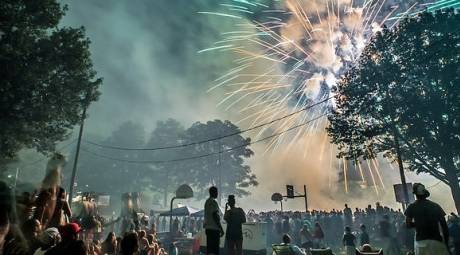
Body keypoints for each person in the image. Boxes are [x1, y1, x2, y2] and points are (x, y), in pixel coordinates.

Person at [405, 183, 449, 255]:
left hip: (421, 242)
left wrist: (419, 224)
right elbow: (444, 227)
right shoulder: (435, 206)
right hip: (437, 241)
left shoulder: (411, 207)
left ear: (415, 194)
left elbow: (408, 225)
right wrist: (446, 243)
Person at [204, 186, 224, 255]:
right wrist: (221, 228)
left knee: (209, 250)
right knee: (215, 250)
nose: (217, 194)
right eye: (216, 192)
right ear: (213, 192)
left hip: (208, 228)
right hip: (214, 229)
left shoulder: (207, 202)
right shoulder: (214, 202)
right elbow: (215, 215)